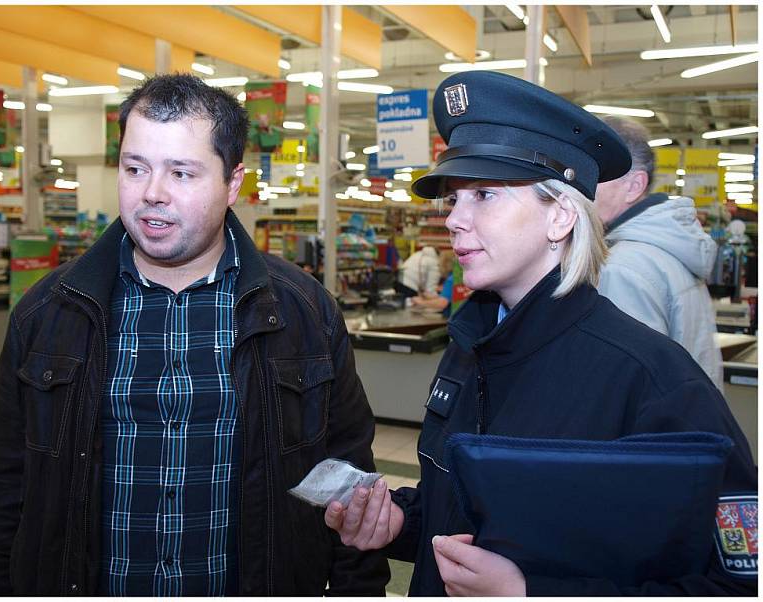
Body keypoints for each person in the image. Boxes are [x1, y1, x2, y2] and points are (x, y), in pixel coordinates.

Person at [324, 71, 757, 596]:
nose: (454, 219)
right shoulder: (470, 351)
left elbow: (733, 584)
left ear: (561, 218)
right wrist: (402, 523)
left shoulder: (653, 381)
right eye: (453, 199)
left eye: (483, 195)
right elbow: (466, 516)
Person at [0, 74, 389, 596]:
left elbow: (350, 486)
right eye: (134, 168)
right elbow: (3, 493)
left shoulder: (302, 313)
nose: (152, 194)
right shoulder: (49, 313)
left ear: (233, 182)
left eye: (182, 173)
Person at [595, 115, 723, 390]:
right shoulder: (667, 248)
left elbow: (625, 387)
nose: (578, 188)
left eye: (594, 174)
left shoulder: (624, 267)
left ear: (634, 186)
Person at [410, 249, 455, 314]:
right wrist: (430, 297)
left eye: (439, 264)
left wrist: (420, 302)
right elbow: (449, 298)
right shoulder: (456, 277)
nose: (438, 267)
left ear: (445, 264)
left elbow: (442, 303)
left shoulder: (451, 280)